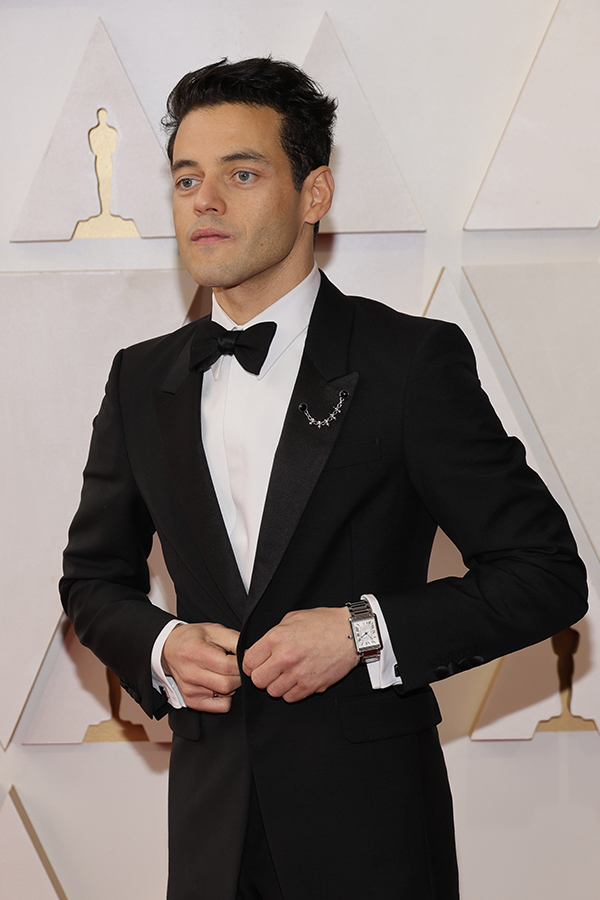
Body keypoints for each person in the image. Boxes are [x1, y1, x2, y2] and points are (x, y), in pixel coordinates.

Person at [60, 57, 588, 900]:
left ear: (315, 193)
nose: (204, 200)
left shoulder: (409, 363)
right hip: (209, 837)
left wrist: (362, 631)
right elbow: (92, 578)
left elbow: (546, 574)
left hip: (373, 841)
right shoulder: (139, 378)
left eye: (241, 173)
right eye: (187, 178)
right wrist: (161, 645)